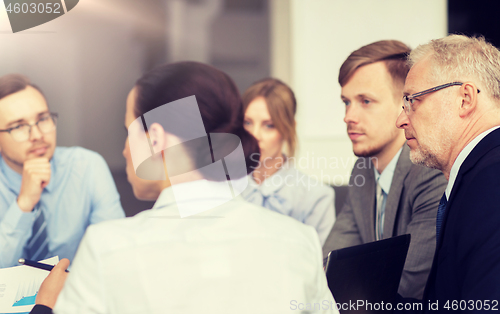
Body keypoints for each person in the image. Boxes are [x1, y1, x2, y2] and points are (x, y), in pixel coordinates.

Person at [31, 62, 338, 314]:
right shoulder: (299, 241)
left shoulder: (106, 248)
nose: (125, 150)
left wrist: (45, 308)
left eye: (128, 132)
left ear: (155, 138)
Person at [321, 40, 447, 299]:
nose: (348, 116)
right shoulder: (363, 170)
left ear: (405, 104)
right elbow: (329, 265)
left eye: (365, 101)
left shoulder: (429, 171)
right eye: (346, 102)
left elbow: (407, 284)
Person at [396, 34, 500, 311]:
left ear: (465, 98)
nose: (401, 119)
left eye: (411, 100)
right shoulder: (479, 173)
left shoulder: (492, 181)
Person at [0, 74, 124, 268]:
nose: (38, 135)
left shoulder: (87, 166)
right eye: (18, 127)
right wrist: (23, 204)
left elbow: (115, 253)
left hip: (77, 294)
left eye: (43, 119)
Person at [241, 78, 335, 246]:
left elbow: (320, 267)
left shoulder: (316, 197)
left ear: (288, 128)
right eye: (247, 123)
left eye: (269, 125)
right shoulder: (223, 188)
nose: (255, 135)